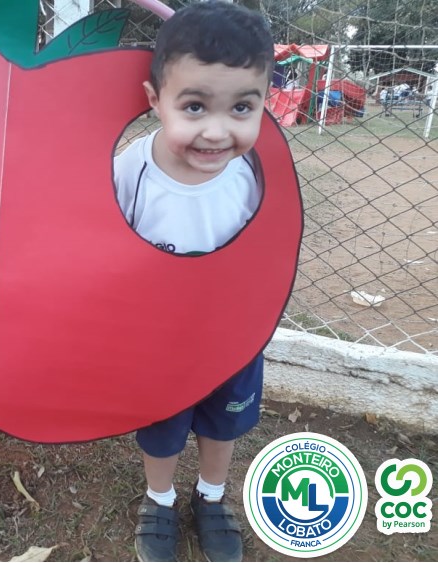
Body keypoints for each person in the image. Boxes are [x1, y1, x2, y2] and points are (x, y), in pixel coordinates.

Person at [113, 2, 275, 561]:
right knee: (161, 423)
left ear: (265, 103)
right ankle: (159, 498)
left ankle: (211, 495)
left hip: (233, 335)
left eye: (241, 107)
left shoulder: (256, 176)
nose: (216, 130)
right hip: (155, 339)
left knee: (223, 421)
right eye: (195, 106)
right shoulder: (131, 170)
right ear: (155, 99)